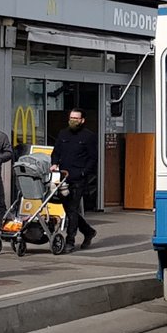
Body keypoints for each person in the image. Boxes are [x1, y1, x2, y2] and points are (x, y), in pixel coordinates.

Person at [51, 108, 97, 252]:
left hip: (78, 179)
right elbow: (56, 151)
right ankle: (88, 231)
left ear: (82, 120)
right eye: (71, 117)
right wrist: (54, 163)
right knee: (68, 209)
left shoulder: (88, 136)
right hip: (63, 178)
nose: (73, 120)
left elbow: (93, 158)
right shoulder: (63, 133)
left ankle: (70, 241)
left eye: (76, 118)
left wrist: (84, 173)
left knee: (72, 209)